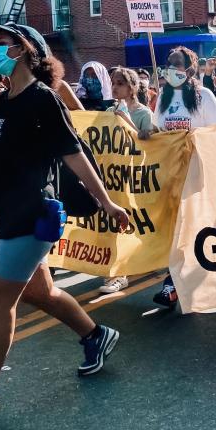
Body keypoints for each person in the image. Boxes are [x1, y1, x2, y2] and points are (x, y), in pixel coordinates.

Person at [0, 21, 131, 422]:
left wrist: (107, 202)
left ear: (24, 50)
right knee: (40, 292)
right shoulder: (1, 102)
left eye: (2, 44)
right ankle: (96, 336)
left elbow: (73, 153)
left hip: (33, 211)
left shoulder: (42, 98)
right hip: (6, 209)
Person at [150, 46, 216, 309]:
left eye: (177, 63)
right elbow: (159, 129)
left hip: (197, 174)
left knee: (195, 228)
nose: (171, 68)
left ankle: (192, 276)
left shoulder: (205, 97)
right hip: (171, 175)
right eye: (168, 63)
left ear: (190, 69)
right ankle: (173, 282)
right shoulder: (163, 97)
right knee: (175, 230)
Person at [97, 67, 154, 295]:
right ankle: (116, 271)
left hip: (134, 176)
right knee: (114, 225)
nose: (115, 87)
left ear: (132, 88)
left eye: (119, 83)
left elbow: (146, 141)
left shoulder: (143, 113)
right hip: (115, 176)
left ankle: (122, 273)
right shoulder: (110, 110)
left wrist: (125, 120)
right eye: (113, 83)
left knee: (129, 225)